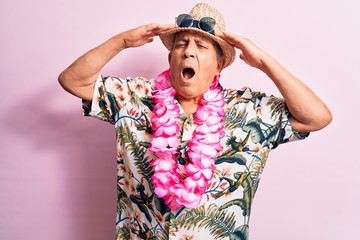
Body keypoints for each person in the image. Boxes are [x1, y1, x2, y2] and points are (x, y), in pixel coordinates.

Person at [58, 3, 332, 240]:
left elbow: (316, 117)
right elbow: (73, 80)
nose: (188, 52)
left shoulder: (251, 111)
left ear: (219, 65)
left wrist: (263, 62)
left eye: (200, 46)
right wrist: (122, 42)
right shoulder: (134, 98)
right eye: (181, 45)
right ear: (170, 58)